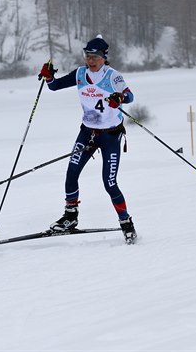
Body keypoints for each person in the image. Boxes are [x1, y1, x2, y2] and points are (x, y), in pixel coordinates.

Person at [38, 34, 136, 244]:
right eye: (88, 56)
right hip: (87, 133)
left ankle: (126, 223)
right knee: (71, 172)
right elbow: (55, 86)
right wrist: (48, 77)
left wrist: (119, 97)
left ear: (104, 57)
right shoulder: (80, 73)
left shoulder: (112, 76)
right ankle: (70, 217)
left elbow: (129, 96)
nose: (90, 60)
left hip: (110, 135)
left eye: (95, 57)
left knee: (109, 183)